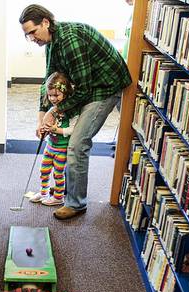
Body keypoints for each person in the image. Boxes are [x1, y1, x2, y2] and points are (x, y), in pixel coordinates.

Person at [20, 4, 132, 220]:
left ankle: (76, 203)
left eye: (33, 32)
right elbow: (49, 81)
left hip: (104, 87)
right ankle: (67, 194)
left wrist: (56, 109)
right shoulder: (52, 43)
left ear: (45, 22)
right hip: (88, 85)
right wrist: (41, 116)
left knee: (77, 143)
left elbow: (83, 89)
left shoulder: (70, 41)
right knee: (66, 125)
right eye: (27, 36)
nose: (32, 39)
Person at [29, 72, 78, 207]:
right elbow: (47, 126)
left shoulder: (71, 111)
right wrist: (44, 130)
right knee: (44, 171)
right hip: (49, 146)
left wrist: (56, 130)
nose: (52, 98)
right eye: (50, 95)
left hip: (62, 149)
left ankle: (58, 197)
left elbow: (73, 130)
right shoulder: (52, 110)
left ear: (66, 93)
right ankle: (44, 193)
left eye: (56, 95)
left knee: (58, 174)